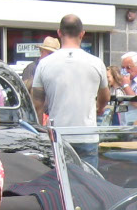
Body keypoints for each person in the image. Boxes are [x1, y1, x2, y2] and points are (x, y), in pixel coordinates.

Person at [32, 14, 108, 168]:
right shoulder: (96, 63)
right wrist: (99, 108)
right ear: (82, 33)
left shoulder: (44, 64)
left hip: (58, 135)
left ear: (59, 33)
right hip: (87, 135)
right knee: (88, 185)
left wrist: (40, 133)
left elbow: (37, 104)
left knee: (60, 186)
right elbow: (105, 96)